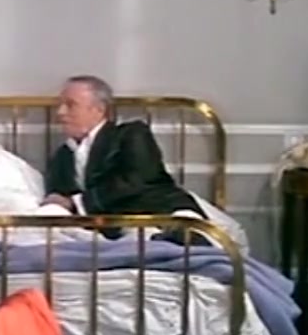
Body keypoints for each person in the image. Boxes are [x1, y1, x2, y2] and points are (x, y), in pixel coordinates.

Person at [42, 75, 207, 243]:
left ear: (98, 110)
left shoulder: (131, 134)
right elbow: (58, 197)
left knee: (184, 238)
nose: (60, 112)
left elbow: (138, 179)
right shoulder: (62, 155)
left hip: (161, 212)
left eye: (70, 105)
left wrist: (77, 202)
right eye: (59, 105)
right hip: (114, 231)